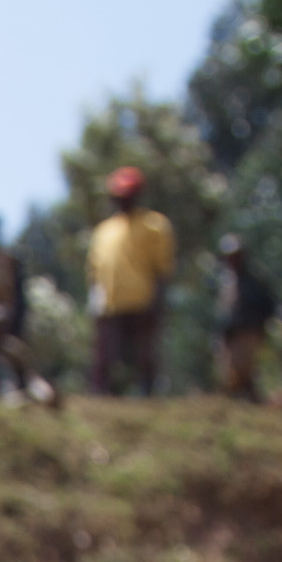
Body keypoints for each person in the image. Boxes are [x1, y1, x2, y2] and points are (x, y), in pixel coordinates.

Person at [86, 166, 177, 398]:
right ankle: (101, 398)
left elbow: (162, 269)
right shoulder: (104, 231)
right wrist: (95, 301)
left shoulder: (155, 225)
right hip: (110, 304)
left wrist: (158, 301)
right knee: (105, 356)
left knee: (145, 356)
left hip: (142, 301)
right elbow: (95, 271)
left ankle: (148, 397)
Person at [214, 234, 279, 402]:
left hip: (249, 333)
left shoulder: (255, 281)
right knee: (231, 375)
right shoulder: (227, 281)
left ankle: (255, 403)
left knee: (243, 372)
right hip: (231, 336)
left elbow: (269, 306)